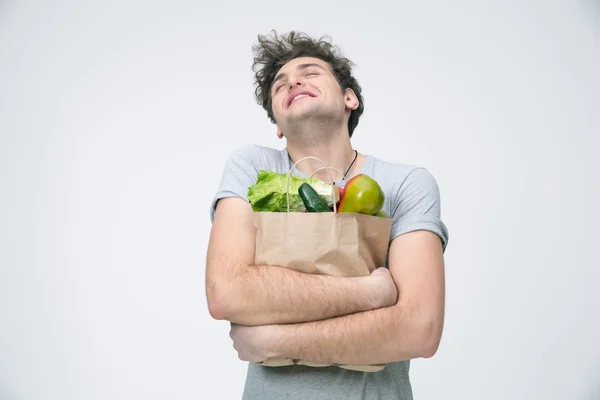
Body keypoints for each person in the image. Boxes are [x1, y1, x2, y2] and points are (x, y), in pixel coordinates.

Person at [206, 30, 449, 400]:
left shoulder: (407, 183)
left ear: (349, 97)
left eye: (311, 72)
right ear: (277, 122)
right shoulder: (253, 168)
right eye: (280, 84)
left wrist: (272, 339)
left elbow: (419, 329)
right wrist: (370, 293)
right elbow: (227, 291)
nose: (294, 81)